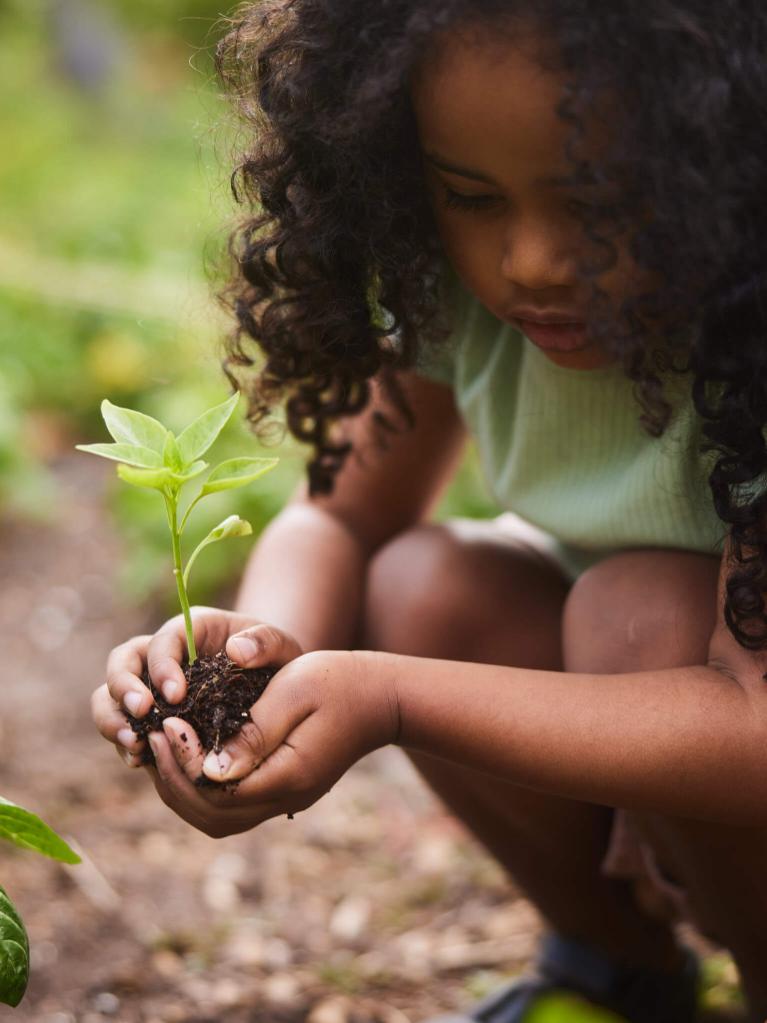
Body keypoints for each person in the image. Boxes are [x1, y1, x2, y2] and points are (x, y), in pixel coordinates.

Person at [92, 2, 767, 1020]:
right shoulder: (472, 304)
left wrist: (391, 699)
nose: (530, 259)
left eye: (599, 198)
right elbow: (338, 520)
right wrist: (254, 670)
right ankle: (613, 974)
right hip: (663, 698)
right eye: (469, 195)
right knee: (424, 586)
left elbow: (751, 729)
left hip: (727, 714)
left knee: (629, 612)